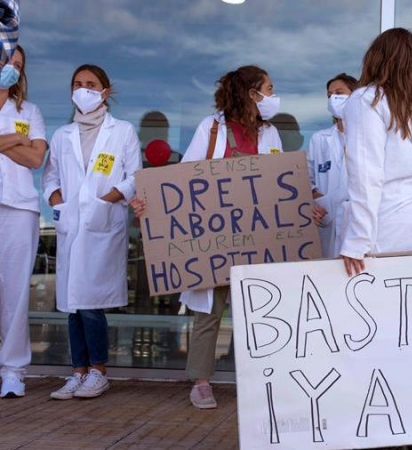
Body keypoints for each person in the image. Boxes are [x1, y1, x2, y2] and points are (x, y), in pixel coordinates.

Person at [131, 65, 283, 409]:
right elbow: (184, 177)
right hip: (215, 240)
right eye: (268, 89)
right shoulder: (211, 129)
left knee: (257, 313)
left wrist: (307, 205)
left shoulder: (270, 134)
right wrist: (151, 202)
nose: (273, 97)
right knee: (209, 313)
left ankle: (259, 382)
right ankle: (201, 382)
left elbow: (279, 181)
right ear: (250, 93)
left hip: (256, 238)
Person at [43, 64, 142, 400]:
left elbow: (133, 177)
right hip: (72, 226)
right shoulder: (62, 135)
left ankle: (98, 371)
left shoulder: (123, 131)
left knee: (90, 304)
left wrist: (105, 200)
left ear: (105, 92)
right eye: (77, 84)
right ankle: (78, 372)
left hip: (103, 225)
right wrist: (59, 205)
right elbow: (50, 179)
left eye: (91, 84)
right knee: (72, 303)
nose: (83, 89)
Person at [340, 28, 412, 278]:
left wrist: (358, 239)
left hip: (387, 227)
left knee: (375, 315)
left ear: (374, 57)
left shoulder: (367, 99)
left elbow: (367, 175)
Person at [0, 45, 46, 398]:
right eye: (6, 62)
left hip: (20, 209)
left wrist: (9, 141)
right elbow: (26, 148)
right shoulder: (22, 124)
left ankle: (13, 370)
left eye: (18, 65)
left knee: (15, 293)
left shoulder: (30, 110)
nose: (11, 69)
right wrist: (17, 138)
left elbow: (35, 159)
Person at [306, 73, 356, 258]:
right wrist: (315, 199)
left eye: (339, 92)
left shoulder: (367, 136)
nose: (333, 98)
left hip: (359, 227)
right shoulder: (319, 139)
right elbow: (306, 181)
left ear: (356, 96)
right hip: (329, 223)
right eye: (329, 95)